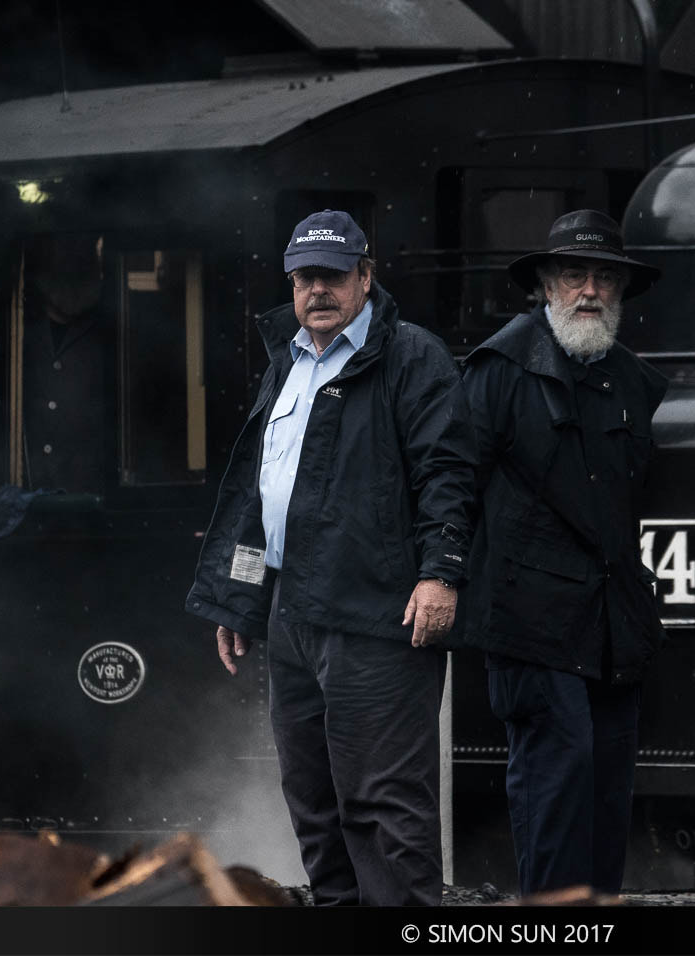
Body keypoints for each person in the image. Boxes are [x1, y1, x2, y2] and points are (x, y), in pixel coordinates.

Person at [186, 210, 472, 906]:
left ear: (365, 278)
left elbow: (449, 474)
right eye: (305, 278)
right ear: (291, 284)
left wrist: (440, 573)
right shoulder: (286, 360)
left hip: (378, 614)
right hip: (292, 614)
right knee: (313, 802)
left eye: (334, 276)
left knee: (384, 806)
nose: (319, 290)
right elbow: (261, 493)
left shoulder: (412, 356)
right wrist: (240, 597)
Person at [458, 209, 668, 896]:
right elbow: (450, 482)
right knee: (559, 773)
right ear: (546, 285)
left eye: (604, 277)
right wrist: (439, 576)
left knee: (608, 786)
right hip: (530, 614)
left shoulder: (636, 382)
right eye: (575, 274)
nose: (589, 290)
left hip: (612, 620)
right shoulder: (497, 370)